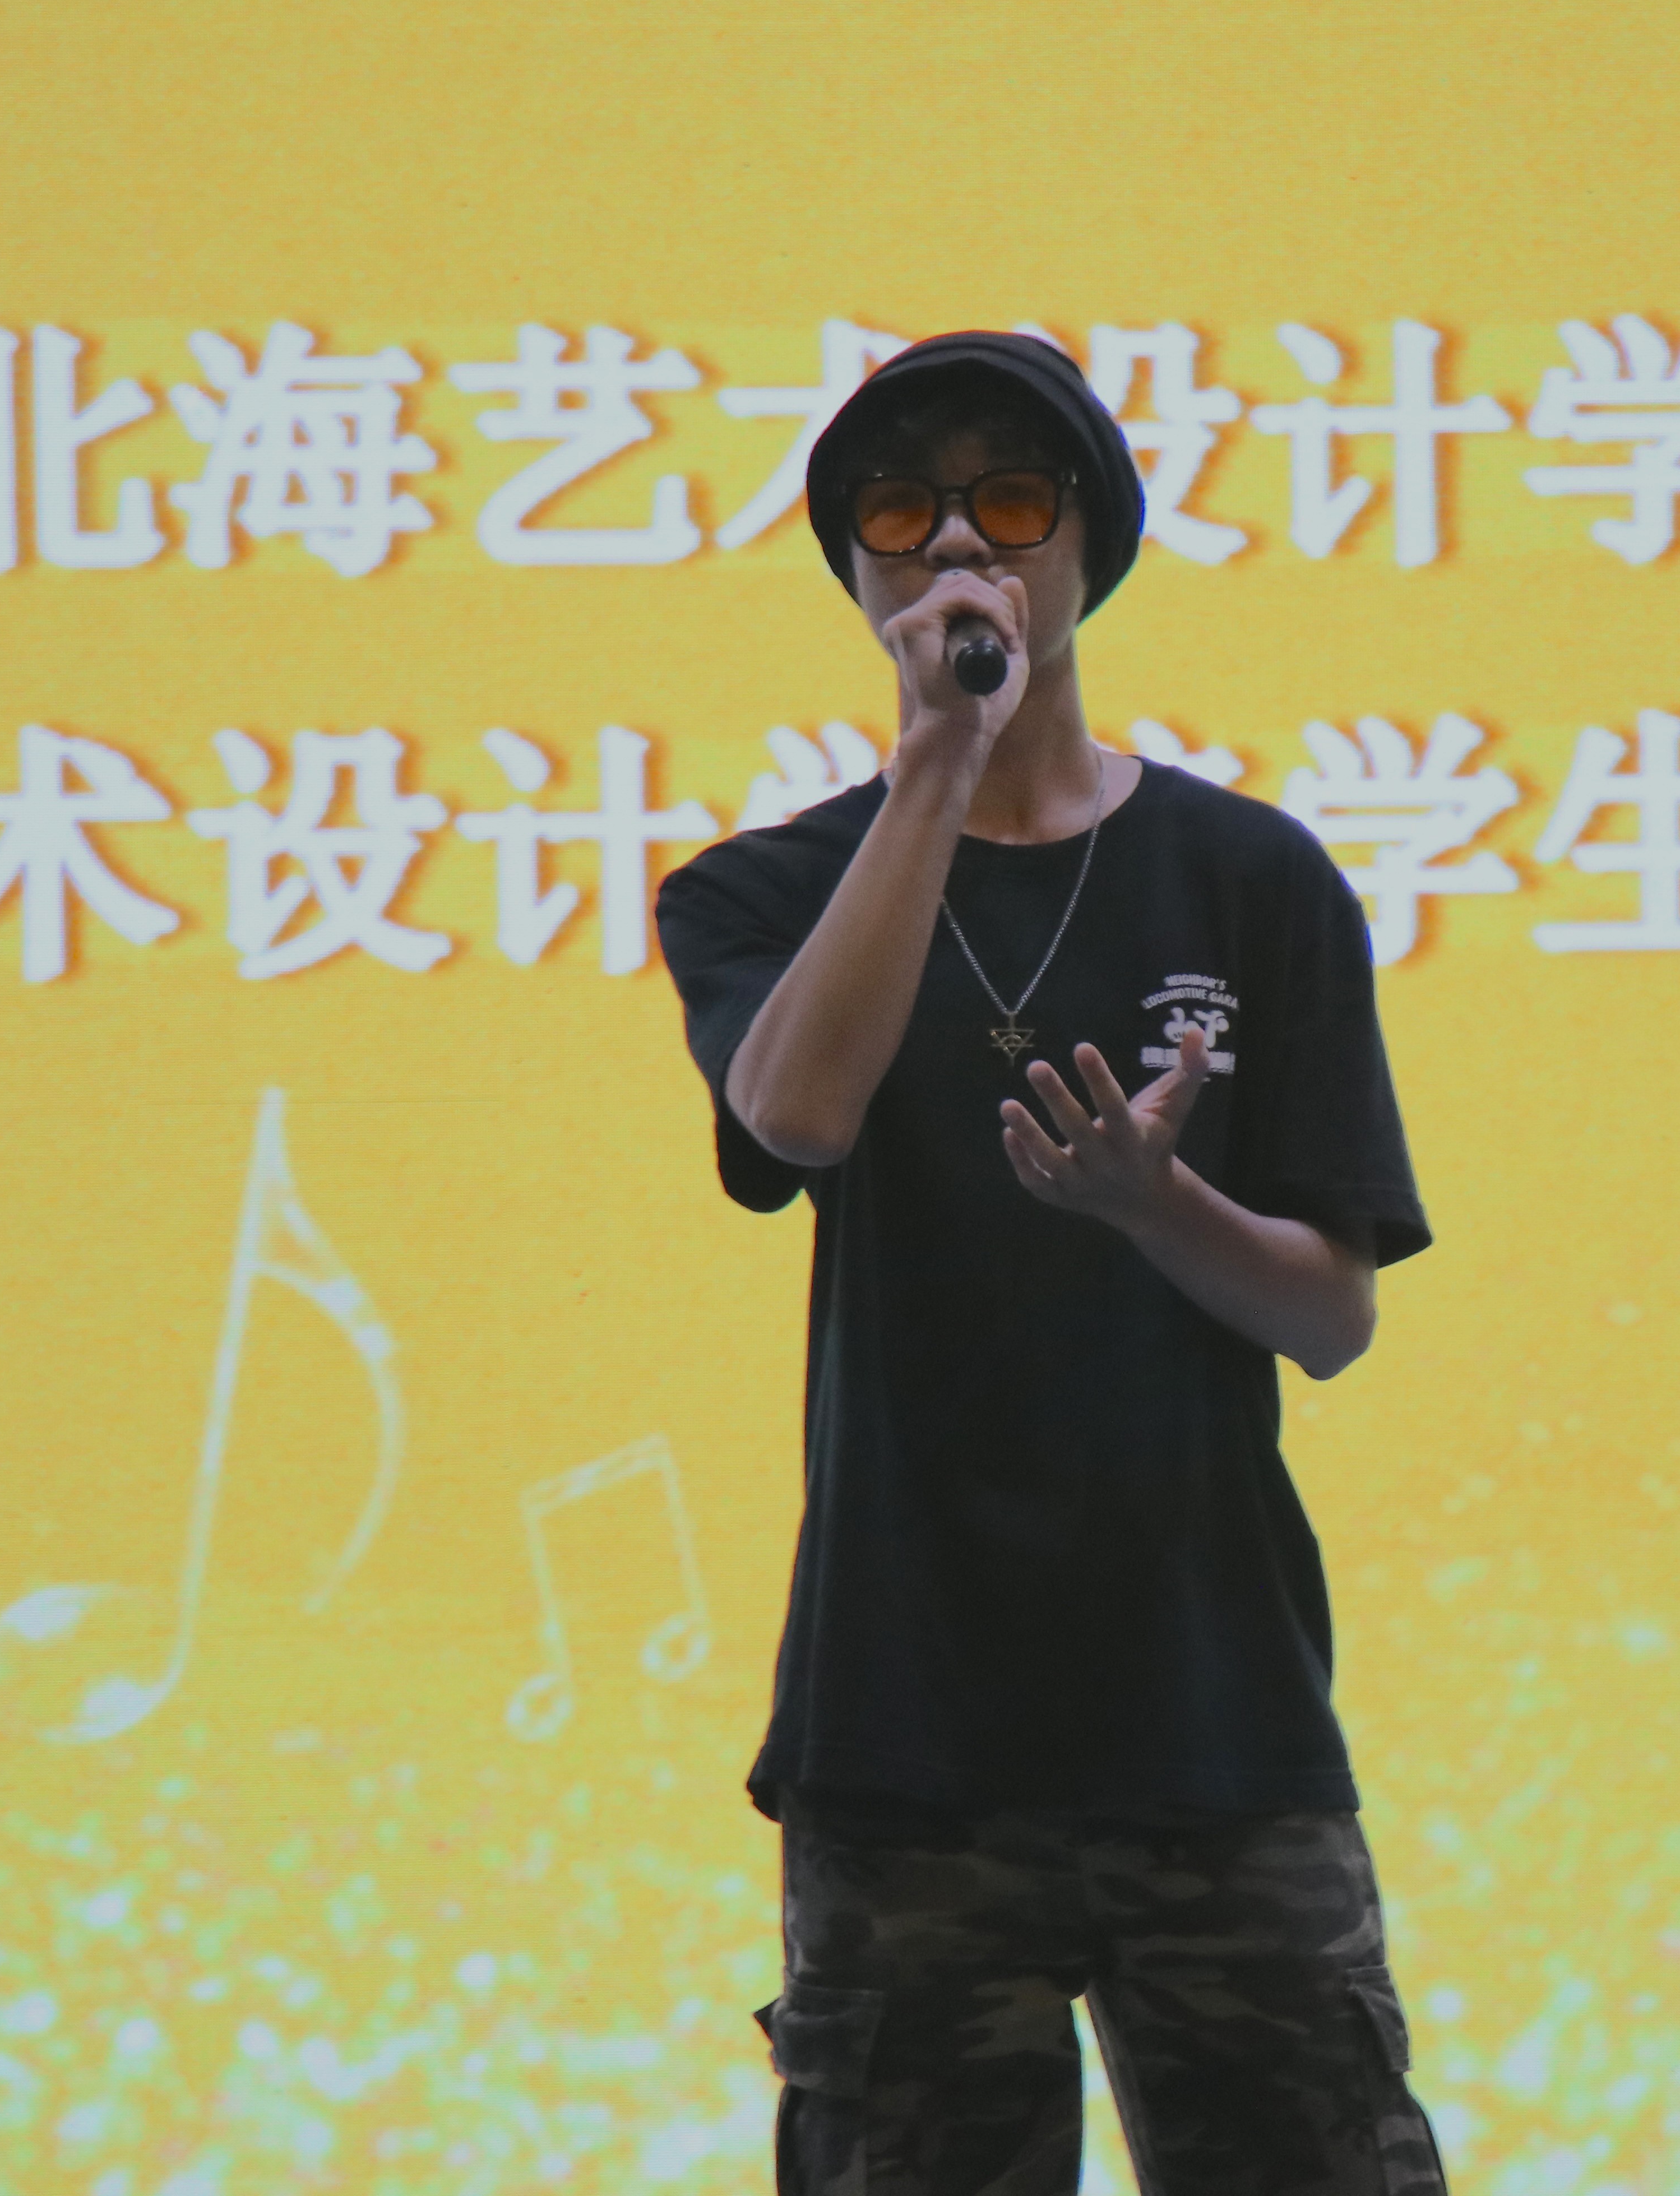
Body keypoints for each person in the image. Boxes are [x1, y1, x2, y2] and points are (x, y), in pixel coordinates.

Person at [654, 330, 1448, 2196]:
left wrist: (1154, 1205)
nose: (956, 546)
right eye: (900, 512)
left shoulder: (1252, 879)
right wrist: (937, 767)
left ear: (1092, 545)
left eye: (1008, 501)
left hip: (1214, 1712)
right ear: (856, 574)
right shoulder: (761, 892)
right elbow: (796, 1120)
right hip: (905, 1724)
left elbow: (1329, 1316)